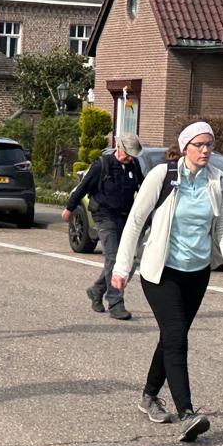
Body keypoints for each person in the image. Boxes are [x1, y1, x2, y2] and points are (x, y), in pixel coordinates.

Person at [111, 121, 223, 442]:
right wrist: (122, 267)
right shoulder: (163, 176)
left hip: (196, 273)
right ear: (185, 147)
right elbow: (135, 222)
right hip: (160, 271)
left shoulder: (218, 180)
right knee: (176, 337)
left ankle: (149, 395)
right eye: (199, 145)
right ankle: (187, 413)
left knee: (174, 334)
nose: (206, 150)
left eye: (210, 144)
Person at [65, 133, 144, 321]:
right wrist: (69, 208)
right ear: (119, 147)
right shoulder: (102, 164)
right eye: (128, 153)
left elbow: (143, 188)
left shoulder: (134, 166)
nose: (130, 158)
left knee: (128, 261)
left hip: (125, 217)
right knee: (114, 257)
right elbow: (83, 187)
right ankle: (116, 302)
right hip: (103, 215)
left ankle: (96, 290)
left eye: (133, 154)